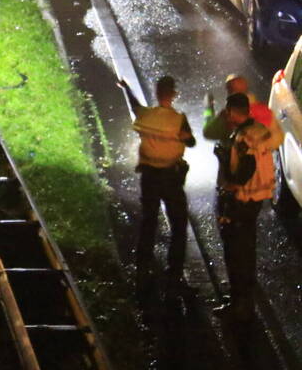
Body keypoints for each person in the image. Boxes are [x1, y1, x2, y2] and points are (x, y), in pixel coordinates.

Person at [119, 76, 195, 292]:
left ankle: (142, 269)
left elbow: (135, 107)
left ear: (156, 93)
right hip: (171, 177)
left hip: (149, 177)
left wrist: (126, 88)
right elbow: (190, 141)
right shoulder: (178, 119)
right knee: (179, 225)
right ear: (173, 94)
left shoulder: (146, 115)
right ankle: (175, 273)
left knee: (149, 222)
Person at [213, 93, 275, 330]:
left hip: (243, 199)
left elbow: (246, 168)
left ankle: (240, 306)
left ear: (232, 112)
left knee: (235, 253)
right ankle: (244, 302)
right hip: (257, 200)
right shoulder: (259, 130)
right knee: (247, 251)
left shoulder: (242, 137)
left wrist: (231, 187)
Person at [203, 73, 283, 146]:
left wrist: (208, 108)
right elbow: (278, 138)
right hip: (263, 159)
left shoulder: (228, 115)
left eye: (228, 90)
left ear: (230, 92)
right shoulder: (263, 110)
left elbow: (208, 133)